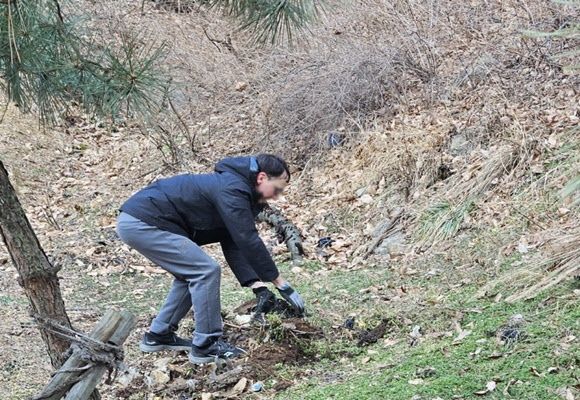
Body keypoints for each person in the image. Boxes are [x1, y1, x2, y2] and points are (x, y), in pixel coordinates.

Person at [115, 154, 305, 364]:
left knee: (190, 274)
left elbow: (234, 239)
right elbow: (248, 238)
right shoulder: (232, 189)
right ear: (261, 178)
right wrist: (281, 283)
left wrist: (257, 286)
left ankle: (159, 335)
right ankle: (206, 345)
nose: (277, 196)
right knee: (205, 271)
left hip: (143, 220)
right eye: (277, 189)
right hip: (143, 221)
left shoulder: (238, 191)